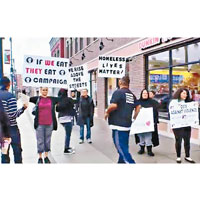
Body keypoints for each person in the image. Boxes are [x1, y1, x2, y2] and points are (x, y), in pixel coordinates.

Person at [105, 76, 140, 164]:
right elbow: (138, 107)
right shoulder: (131, 94)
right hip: (126, 124)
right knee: (124, 146)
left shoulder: (118, 92)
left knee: (121, 147)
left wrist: (107, 112)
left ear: (120, 82)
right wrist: (134, 117)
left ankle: (130, 162)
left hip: (118, 124)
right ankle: (121, 162)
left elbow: (114, 105)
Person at [0, 76, 27, 163]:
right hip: (11, 129)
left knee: (4, 153)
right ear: (9, 85)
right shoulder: (10, 96)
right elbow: (13, 115)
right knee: (17, 152)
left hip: (1, 130)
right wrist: (23, 108)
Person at [29, 87, 60, 164]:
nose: (45, 91)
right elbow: (27, 99)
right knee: (40, 141)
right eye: (43, 90)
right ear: (40, 91)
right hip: (40, 124)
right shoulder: (37, 99)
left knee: (47, 140)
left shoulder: (52, 99)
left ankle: (46, 156)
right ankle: (40, 157)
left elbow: (61, 98)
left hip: (49, 123)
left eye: (46, 90)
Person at [169, 88, 195, 163]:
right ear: (179, 93)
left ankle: (187, 156)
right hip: (177, 125)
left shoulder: (189, 103)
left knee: (187, 140)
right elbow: (171, 113)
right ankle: (178, 156)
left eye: (186, 94)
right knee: (178, 140)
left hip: (187, 124)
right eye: (183, 93)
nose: (185, 95)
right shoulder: (174, 102)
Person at [135, 89, 159, 156]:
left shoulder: (152, 102)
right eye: (143, 93)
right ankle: (142, 149)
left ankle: (149, 150)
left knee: (148, 137)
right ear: (141, 94)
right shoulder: (137, 102)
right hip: (140, 124)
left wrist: (155, 121)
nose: (145, 94)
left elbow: (156, 112)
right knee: (141, 136)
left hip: (149, 124)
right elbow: (134, 112)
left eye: (146, 93)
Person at [56, 89, 76, 154]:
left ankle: (67, 147)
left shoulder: (58, 100)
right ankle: (66, 148)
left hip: (61, 119)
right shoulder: (68, 99)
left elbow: (57, 110)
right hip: (68, 119)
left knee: (67, 134)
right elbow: (74, 103)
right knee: (68, 134)